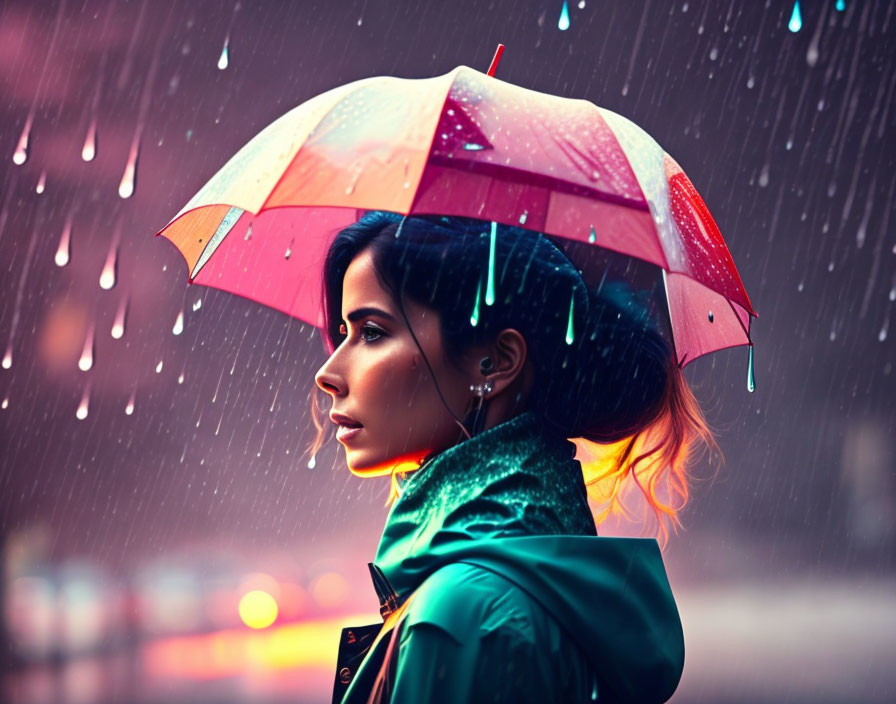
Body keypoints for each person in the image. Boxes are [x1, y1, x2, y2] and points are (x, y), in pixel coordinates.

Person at [310, 210, 719, 703]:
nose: (329, 372)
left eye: (372, 332)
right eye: (343, 332)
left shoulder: (464, 616)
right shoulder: (534, 577)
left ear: (496, 363)